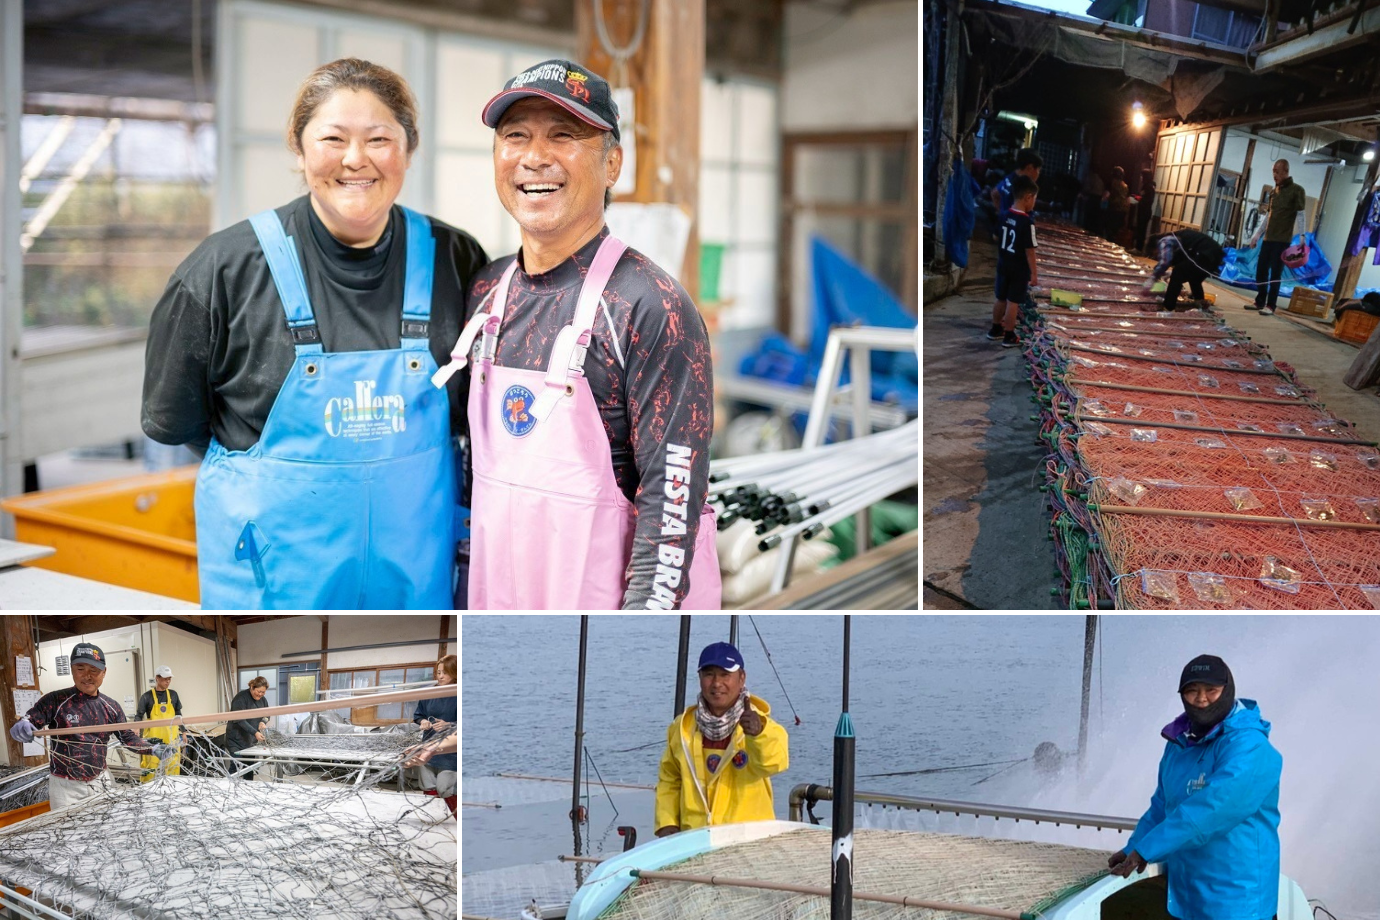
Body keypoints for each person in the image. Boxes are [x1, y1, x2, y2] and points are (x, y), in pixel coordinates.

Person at [142, 58, 488, 609]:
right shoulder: (222, 271)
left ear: (407, 150)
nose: (356, 160)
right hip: (275, 583)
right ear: (299, 150)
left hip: (418, 581)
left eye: (379, 138)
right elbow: (179, 419)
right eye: (333, 138)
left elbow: (477, 411)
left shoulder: (457, 259)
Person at [436, 59, 720, 610]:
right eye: (515, 136)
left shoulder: (649, 303)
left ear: (612, 163)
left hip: (601, 600)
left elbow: (674, 494)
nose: (534, 157)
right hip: (500, 589)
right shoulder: (487, 290)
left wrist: (639, 628)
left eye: (563, 136)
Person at [1104, 655, 1282, 920]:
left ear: (1228, 690)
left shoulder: (1250, 747)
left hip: (1237, 901)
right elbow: (1162, 807)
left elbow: (1211, 810)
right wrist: (1135, 846)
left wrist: (1146, 850)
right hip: (1187, 897)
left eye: (1211, 690)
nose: (1201, 699)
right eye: (1191, 691)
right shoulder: (1179, 743)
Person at [8, 643, 171, 810]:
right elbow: (33, 718)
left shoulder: (111, 706)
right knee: (68, 833)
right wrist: (24, 723)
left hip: (101, 780)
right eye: (81, 669)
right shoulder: (55, 700)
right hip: (65, 787)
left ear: (104, 672)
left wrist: (153, 748)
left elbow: (127, 738)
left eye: (94, 670)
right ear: (72, 669)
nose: (87, 676)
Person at [653, 642, 789, 835]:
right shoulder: (682, 727)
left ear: (741, 678)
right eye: (709, 674)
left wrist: (758, 734)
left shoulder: (763, 725)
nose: (717, 683)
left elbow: (774, 764)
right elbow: (670, 780)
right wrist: (667, 823)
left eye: (725, 674)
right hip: (694, 839)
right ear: (700, 678)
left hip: (749, 840)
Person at [1247, 159, 1307, 315]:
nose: (1274, 175)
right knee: (1261, 271)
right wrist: (1256, 235)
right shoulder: (1274, 192)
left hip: (1282, 241)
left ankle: (1271, 305)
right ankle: (1260, 301)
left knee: (1275, 274)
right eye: (1273, 171)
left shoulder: (1297, 190)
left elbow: (1300, 214)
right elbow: (1269, 215)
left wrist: (1302, 236)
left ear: (1286, 171)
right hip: (1268, 239)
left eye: (1277, 171)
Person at [986, 176, 1038, 349]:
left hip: (1003, 264)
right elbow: (1030, 251)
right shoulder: (1027, 222)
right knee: (1012, 302)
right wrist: (1034, 274)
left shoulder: (1003, 215)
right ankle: (1009, 334)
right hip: (1019, 268)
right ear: (1028, 197)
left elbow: (995, 236)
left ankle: (995, 328)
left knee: (1000, 298)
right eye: (1035, 199)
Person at [412, 654, 457, 816]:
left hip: (451, 753)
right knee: (428, 786)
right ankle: (432, 819)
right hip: (428, 748)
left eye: (445, 672)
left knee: (446, 788)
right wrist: (423, 721)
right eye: (438, 672)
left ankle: (455, 825)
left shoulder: (460, 694)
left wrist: (450, 725)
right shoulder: (430, 694)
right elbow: (418, 715)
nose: (440, 676)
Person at [1141, 230, 1225, 313]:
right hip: (1214, 255)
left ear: (1154, 246)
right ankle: (1200, 304)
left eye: (1154, 253)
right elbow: (1182, 261)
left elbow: (1165, 261)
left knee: (1177, 273)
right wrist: (1165, 273)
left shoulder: (1164, 241)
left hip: (1206, 253)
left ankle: (1168, 307)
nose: (1156, 255)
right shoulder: (1176, 239)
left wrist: (1153, 278)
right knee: (1194, 278)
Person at [135, 665, 183, 781]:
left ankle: (173, 790)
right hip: (153, 738)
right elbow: (139, 715)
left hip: (171, 737)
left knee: (173, 766)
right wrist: (135, 728)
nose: (168, 681)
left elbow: (178, 714)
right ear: (157, 678)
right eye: (165, 678)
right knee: (150, 765)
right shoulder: (147, 696)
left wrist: (184, 731)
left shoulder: (173, 695)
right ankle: (146, 790)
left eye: (169, 679)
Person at [226, 676, 271, 779]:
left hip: (250, 741)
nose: (260, 694)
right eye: (258, 691)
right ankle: (229, 790)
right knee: (236, 767)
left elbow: (267, 714)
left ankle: (247, 790)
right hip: (236, 740)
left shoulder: (263, 700)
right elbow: (239, 719)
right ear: (252, 687)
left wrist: (263, 722)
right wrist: (255, 732)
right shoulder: (240, 698)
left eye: (263, 692)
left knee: (249, 768)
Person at [992, 148, 1042, 215]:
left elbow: (994, 193)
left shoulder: (1009, 178)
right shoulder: (1022, 186)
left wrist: (1001, 215)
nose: (1038, 173)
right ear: (1029, 168)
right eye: (1038, 170)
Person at [1103, 166, 1131, 243]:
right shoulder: (1125, 186)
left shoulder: (1111, 183)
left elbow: (1106, 196)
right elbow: (1128, 200)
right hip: (1122, 211)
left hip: (1113, 209)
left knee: (1109, 230)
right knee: (1117, 232)